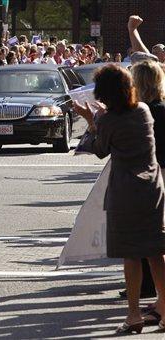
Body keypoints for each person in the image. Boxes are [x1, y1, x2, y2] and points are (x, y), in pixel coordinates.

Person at [73, 64, 165, 334]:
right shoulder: (144, 111)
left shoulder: (109, 120)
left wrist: (92, 122)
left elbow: (100, 149)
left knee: (130, 254)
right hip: (152, 187)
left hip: (124, 192)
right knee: (155, 251)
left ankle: (134, 315)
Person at [130, 60, 165, 325]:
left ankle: (162, 307)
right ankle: (161, 302)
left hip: (157, 181)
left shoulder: (146, 112)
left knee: (155, 249)